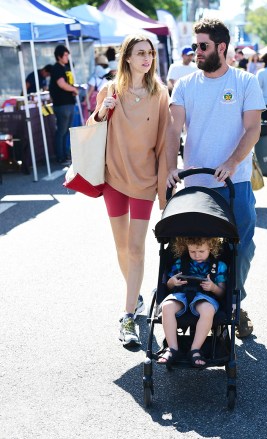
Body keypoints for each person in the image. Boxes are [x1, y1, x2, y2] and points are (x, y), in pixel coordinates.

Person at [166, 17, 266, 339]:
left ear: (221, 47)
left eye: (203, 46)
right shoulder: (185, 85)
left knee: (242, 248)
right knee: (193, 249)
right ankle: (192, 302)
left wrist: (233, 161)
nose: (197, 51)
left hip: (234, 183)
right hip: (197, 185)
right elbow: (172, 129)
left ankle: (234, 304)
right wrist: (171, 166)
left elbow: (253, 128)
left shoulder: (245, 82)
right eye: (196, 46)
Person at [87, 34, 169, 348]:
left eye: (150, 53)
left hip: (145, 181)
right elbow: (91, 131)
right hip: (113, 178)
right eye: (140, 54)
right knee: (121, 247)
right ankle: (133, 294)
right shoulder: (110, 90)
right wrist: (101, 112)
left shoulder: (160, 93)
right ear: (128, 58)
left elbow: (163, 144)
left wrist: (164, 190)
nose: (147, 59)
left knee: (136, 248)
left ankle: (128, 315)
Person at [157, 237, 227, 367]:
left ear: (210, 248)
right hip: (181, 293)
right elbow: (168, 285)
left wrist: (213, 287)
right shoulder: (180, 262)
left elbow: (222, 292)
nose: (197, 255)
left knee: (208, 309)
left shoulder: (219, 266)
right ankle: (172, 348)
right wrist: (172, 282)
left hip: (205, 296)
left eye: (201, 251)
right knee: (167, 306)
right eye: (192, 252)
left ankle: (195, 350)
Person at [49, 45, 78, 165]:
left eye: (67, 54)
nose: (67, 57)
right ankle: (60, 157)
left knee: (66, 131)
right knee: (61, 131)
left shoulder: (65, 67)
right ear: (59, 56)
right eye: (65, 55)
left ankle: (65, 155)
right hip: (62, 104)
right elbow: (62, 84)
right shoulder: (56, 68)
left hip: (69, 103)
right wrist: (74, 90)